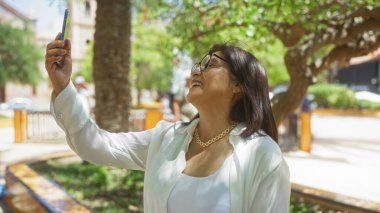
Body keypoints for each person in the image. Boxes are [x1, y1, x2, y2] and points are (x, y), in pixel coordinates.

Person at [45, 33, 290, 213]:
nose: (195, 71)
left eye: (211, 64)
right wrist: (63, 86)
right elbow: (94, 144)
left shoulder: (263, 156)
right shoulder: (166, 138)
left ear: (239, 85)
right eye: (198, 64)